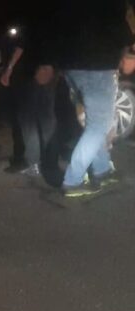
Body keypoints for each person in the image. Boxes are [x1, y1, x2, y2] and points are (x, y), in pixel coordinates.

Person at [39, 0, 135, 197]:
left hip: (71, 68)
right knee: (99, 126)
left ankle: (102, 170)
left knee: (94, 124)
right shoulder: (111, 4)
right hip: (99, 67)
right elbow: (123, 34)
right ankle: (73, 181)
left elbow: (54, 29)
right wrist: (124, 55)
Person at [0, 19, 58, 180]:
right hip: (51, 70)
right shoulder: (55, 20)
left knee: (28, 120)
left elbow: (21, 46)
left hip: (32, 71)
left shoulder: (32, 21)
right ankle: (49, 159)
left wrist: (9, 69)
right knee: (47, 117)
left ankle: (34, 162)